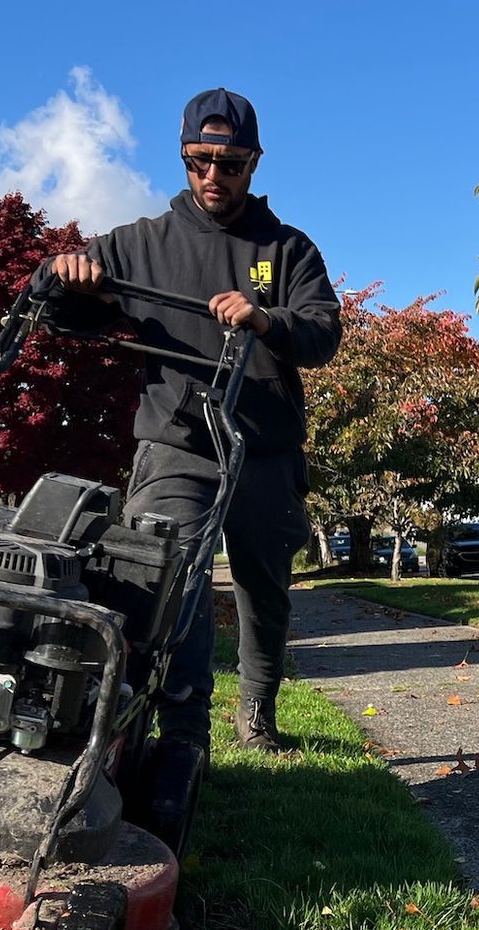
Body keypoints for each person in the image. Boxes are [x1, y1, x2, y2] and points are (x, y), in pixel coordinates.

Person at [40, 87, 341, 834]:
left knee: (263, 593)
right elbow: (64, 308)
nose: (216, 175)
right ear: (183, 157)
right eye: (202, 160)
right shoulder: (139, 241)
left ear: (254, 163)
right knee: (165, 591)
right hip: (177, 446)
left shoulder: (289, 249)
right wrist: (63, 279)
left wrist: (266, 318)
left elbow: (324, 333)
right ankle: (181, 740)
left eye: (231, 163)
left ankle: (259, 709)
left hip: (265, 448)